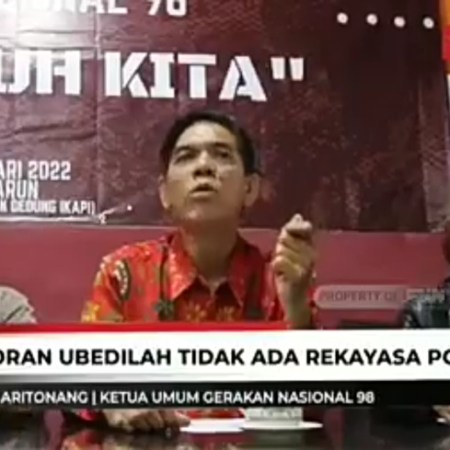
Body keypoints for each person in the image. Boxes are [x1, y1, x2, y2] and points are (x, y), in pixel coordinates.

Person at [78, 110, 316, 432]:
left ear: (250, 188)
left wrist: (298, 313)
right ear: (165, 193)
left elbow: (317, 403)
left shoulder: (282, 279)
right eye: (186, 157)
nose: (203, 167)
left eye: (222, 155)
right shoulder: (124, 273)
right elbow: (79, 380)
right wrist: (112, 397)